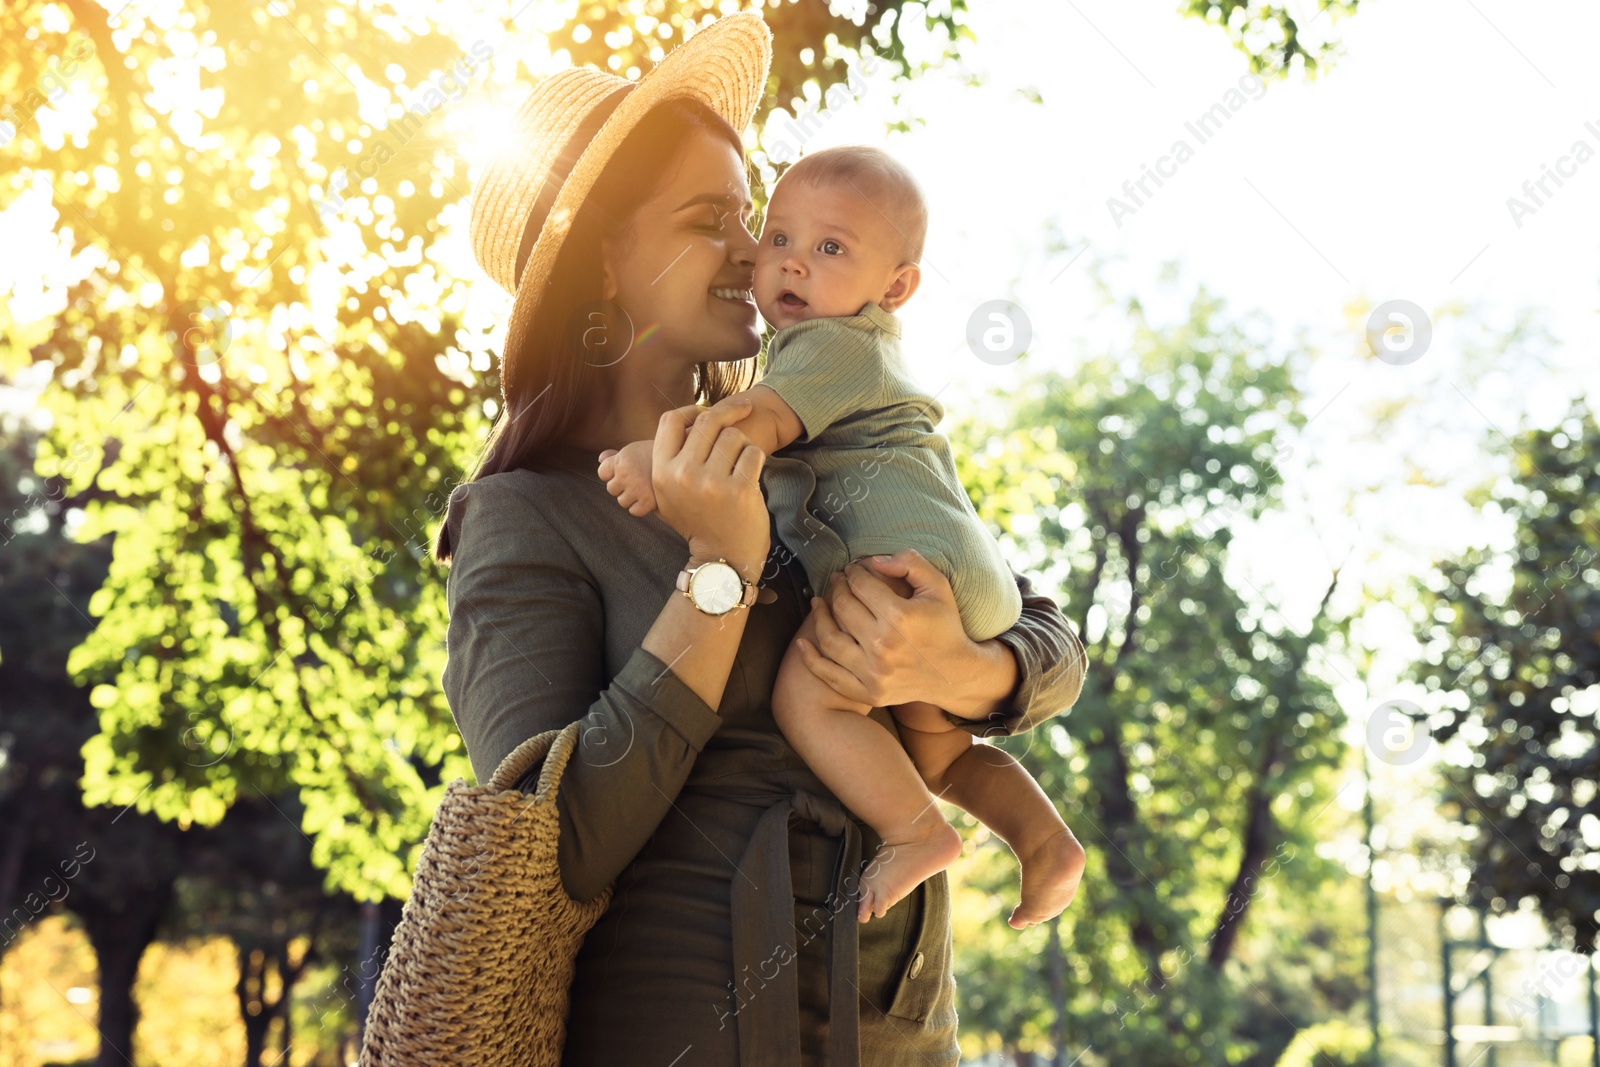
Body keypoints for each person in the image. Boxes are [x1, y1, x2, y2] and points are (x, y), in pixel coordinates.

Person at [433, 13, 1089, 1066]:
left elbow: (1050, 644)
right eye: (711, 220)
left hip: (900, 1026)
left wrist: (964, 667)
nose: (756, 250)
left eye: (754, 218)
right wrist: (719, 570)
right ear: (605, 265)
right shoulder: (524, 514)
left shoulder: (812, 448)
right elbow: (556, 845)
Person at [596, 143, 1086, 928]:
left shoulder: (836, 345)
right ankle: (1045, 841)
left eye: (830, 248)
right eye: (780, 238)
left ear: (894, 288)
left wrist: (653, 459)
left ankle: (916, 830)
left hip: (911, 571)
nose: (789, 265)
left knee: (807, 692)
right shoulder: (827, 354)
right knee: (941, 756)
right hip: (950, 574)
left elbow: (748, 427)